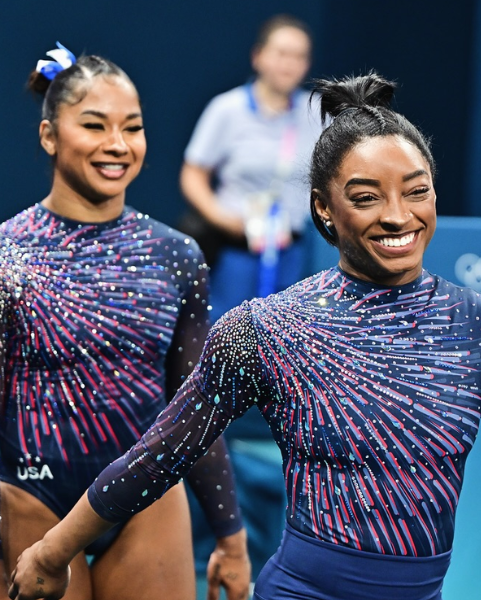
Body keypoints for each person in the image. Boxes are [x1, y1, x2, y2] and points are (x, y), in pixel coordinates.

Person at [7, 73, 481, 600]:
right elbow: (159, 453)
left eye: (417, 191)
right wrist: (52, 550)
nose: (398, 215)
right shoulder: (265, 330)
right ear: (325, 211)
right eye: (366, 196)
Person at [0, 44, 250, 600]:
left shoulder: (176, 257)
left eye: (132, 127)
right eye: (94, 125)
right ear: (49, 136)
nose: (116, 145)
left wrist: (231, 535)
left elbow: (194, 408)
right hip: (36, 496)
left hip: (144, 496)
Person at [176, 14, 324, 579]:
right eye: (280, 53)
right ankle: (207, 529)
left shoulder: (315, 114)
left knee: (288, 386)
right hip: (235, 260)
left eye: (299, 56)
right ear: (259, 56)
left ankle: (284, 539)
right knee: (221, 379)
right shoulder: (226, 111)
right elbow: (194, 174)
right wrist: (229, 222)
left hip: (292, 259)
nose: (289, 64)